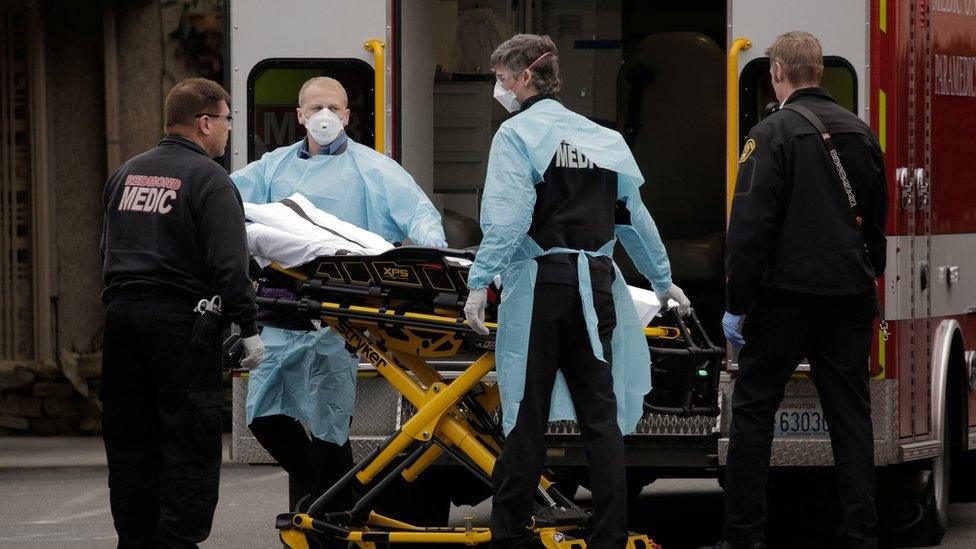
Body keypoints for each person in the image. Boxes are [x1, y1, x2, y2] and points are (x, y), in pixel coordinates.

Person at [462, 34, 691, 548]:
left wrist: (479, 282)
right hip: (597, 289)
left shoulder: (516, 135)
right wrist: (662, 281)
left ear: (523, 78)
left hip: (541, 287)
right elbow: (635, 218)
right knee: (600, 421)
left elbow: (508, 217)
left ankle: (510, 535)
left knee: (526, 413)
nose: (499, 88)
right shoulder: (601, 137)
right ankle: (609, 536)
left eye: (501, 78)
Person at [231, 76, 447, 515]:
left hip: (343, 312)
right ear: (299, 115)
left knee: (331, 424)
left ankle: (333, 516)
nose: (324, 116)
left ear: (348, 115)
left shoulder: (375, 170)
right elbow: (222, 196)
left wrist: (442, 271)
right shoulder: (273, 167)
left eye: (333, 107)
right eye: (314, 108)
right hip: (285, 307)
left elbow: (421, 216)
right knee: (264, 416)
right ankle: (344, 501)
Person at [718, 32, 887, 549]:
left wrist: (737, 304)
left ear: (777, 73)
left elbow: (750, 227)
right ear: (820, 70)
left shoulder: (769, 135)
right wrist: (868, 274)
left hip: (785, 297)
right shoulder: (861, 133)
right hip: (849, 297)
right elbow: (878, 219)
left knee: (753, 409)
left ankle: (745, 533)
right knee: (850, 416)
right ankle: (859, 533)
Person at [100, 78, 265, 549]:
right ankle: (177, 542)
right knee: (188, 439)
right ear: (205, 122)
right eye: (228, 119)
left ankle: (135, 540)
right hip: (180, 327)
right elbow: (229, 265)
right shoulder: (210, 179)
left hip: (123, 322)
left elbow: (107, 253)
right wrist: (248, 327)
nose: (230, 130)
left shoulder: (127, 174)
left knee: (131, 442)